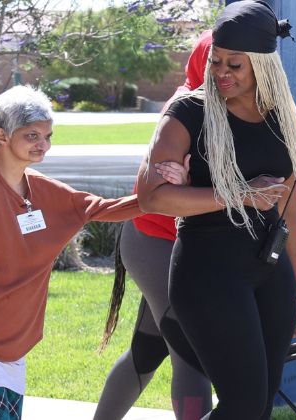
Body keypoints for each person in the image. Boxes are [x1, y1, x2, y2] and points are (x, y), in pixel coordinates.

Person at [0, 85, 186, 420]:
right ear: (1, 135)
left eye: (47, 135)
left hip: (14, 348)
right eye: (31, 136)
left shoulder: (39, 188)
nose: (43, 144)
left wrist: (163, 187)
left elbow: (102, 209)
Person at [137, 1, 296, 418]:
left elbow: (288, 208)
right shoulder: (189, 113)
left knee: (260, 403)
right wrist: (239, 194)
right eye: (216, 62)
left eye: (235, 65)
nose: (221, 73)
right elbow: (152, 198)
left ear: (263, 65)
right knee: (244, 404)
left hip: (271, 271)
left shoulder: (280, 117)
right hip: (209, 271)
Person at [94, 30, 214, 420]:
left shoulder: (237, 108)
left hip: (185, 245)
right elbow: (161, 190)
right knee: (191, 354)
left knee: (149, 351)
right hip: (155, 242)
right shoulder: (184, 107)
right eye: (220, 62)